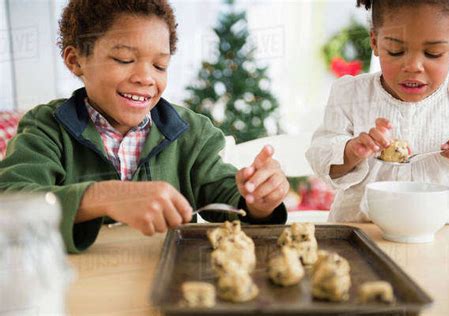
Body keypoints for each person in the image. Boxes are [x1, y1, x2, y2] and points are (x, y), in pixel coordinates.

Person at [0, 0, 289, 253]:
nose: (145, 77)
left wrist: (258, 203)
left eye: (160, 66)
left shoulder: (192, 132)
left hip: (166, 287)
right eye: (124, 59)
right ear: (76, 61)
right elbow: (10, 202)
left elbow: (230, 199)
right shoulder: (47, 127)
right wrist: (105, 196)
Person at [306, 0, 449, 223]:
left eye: (433, 53)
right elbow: (322, 159)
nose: (413, 66)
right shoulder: (350, 94)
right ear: (375, 41)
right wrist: (352, 151)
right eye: (396, 51)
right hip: (363, 234)